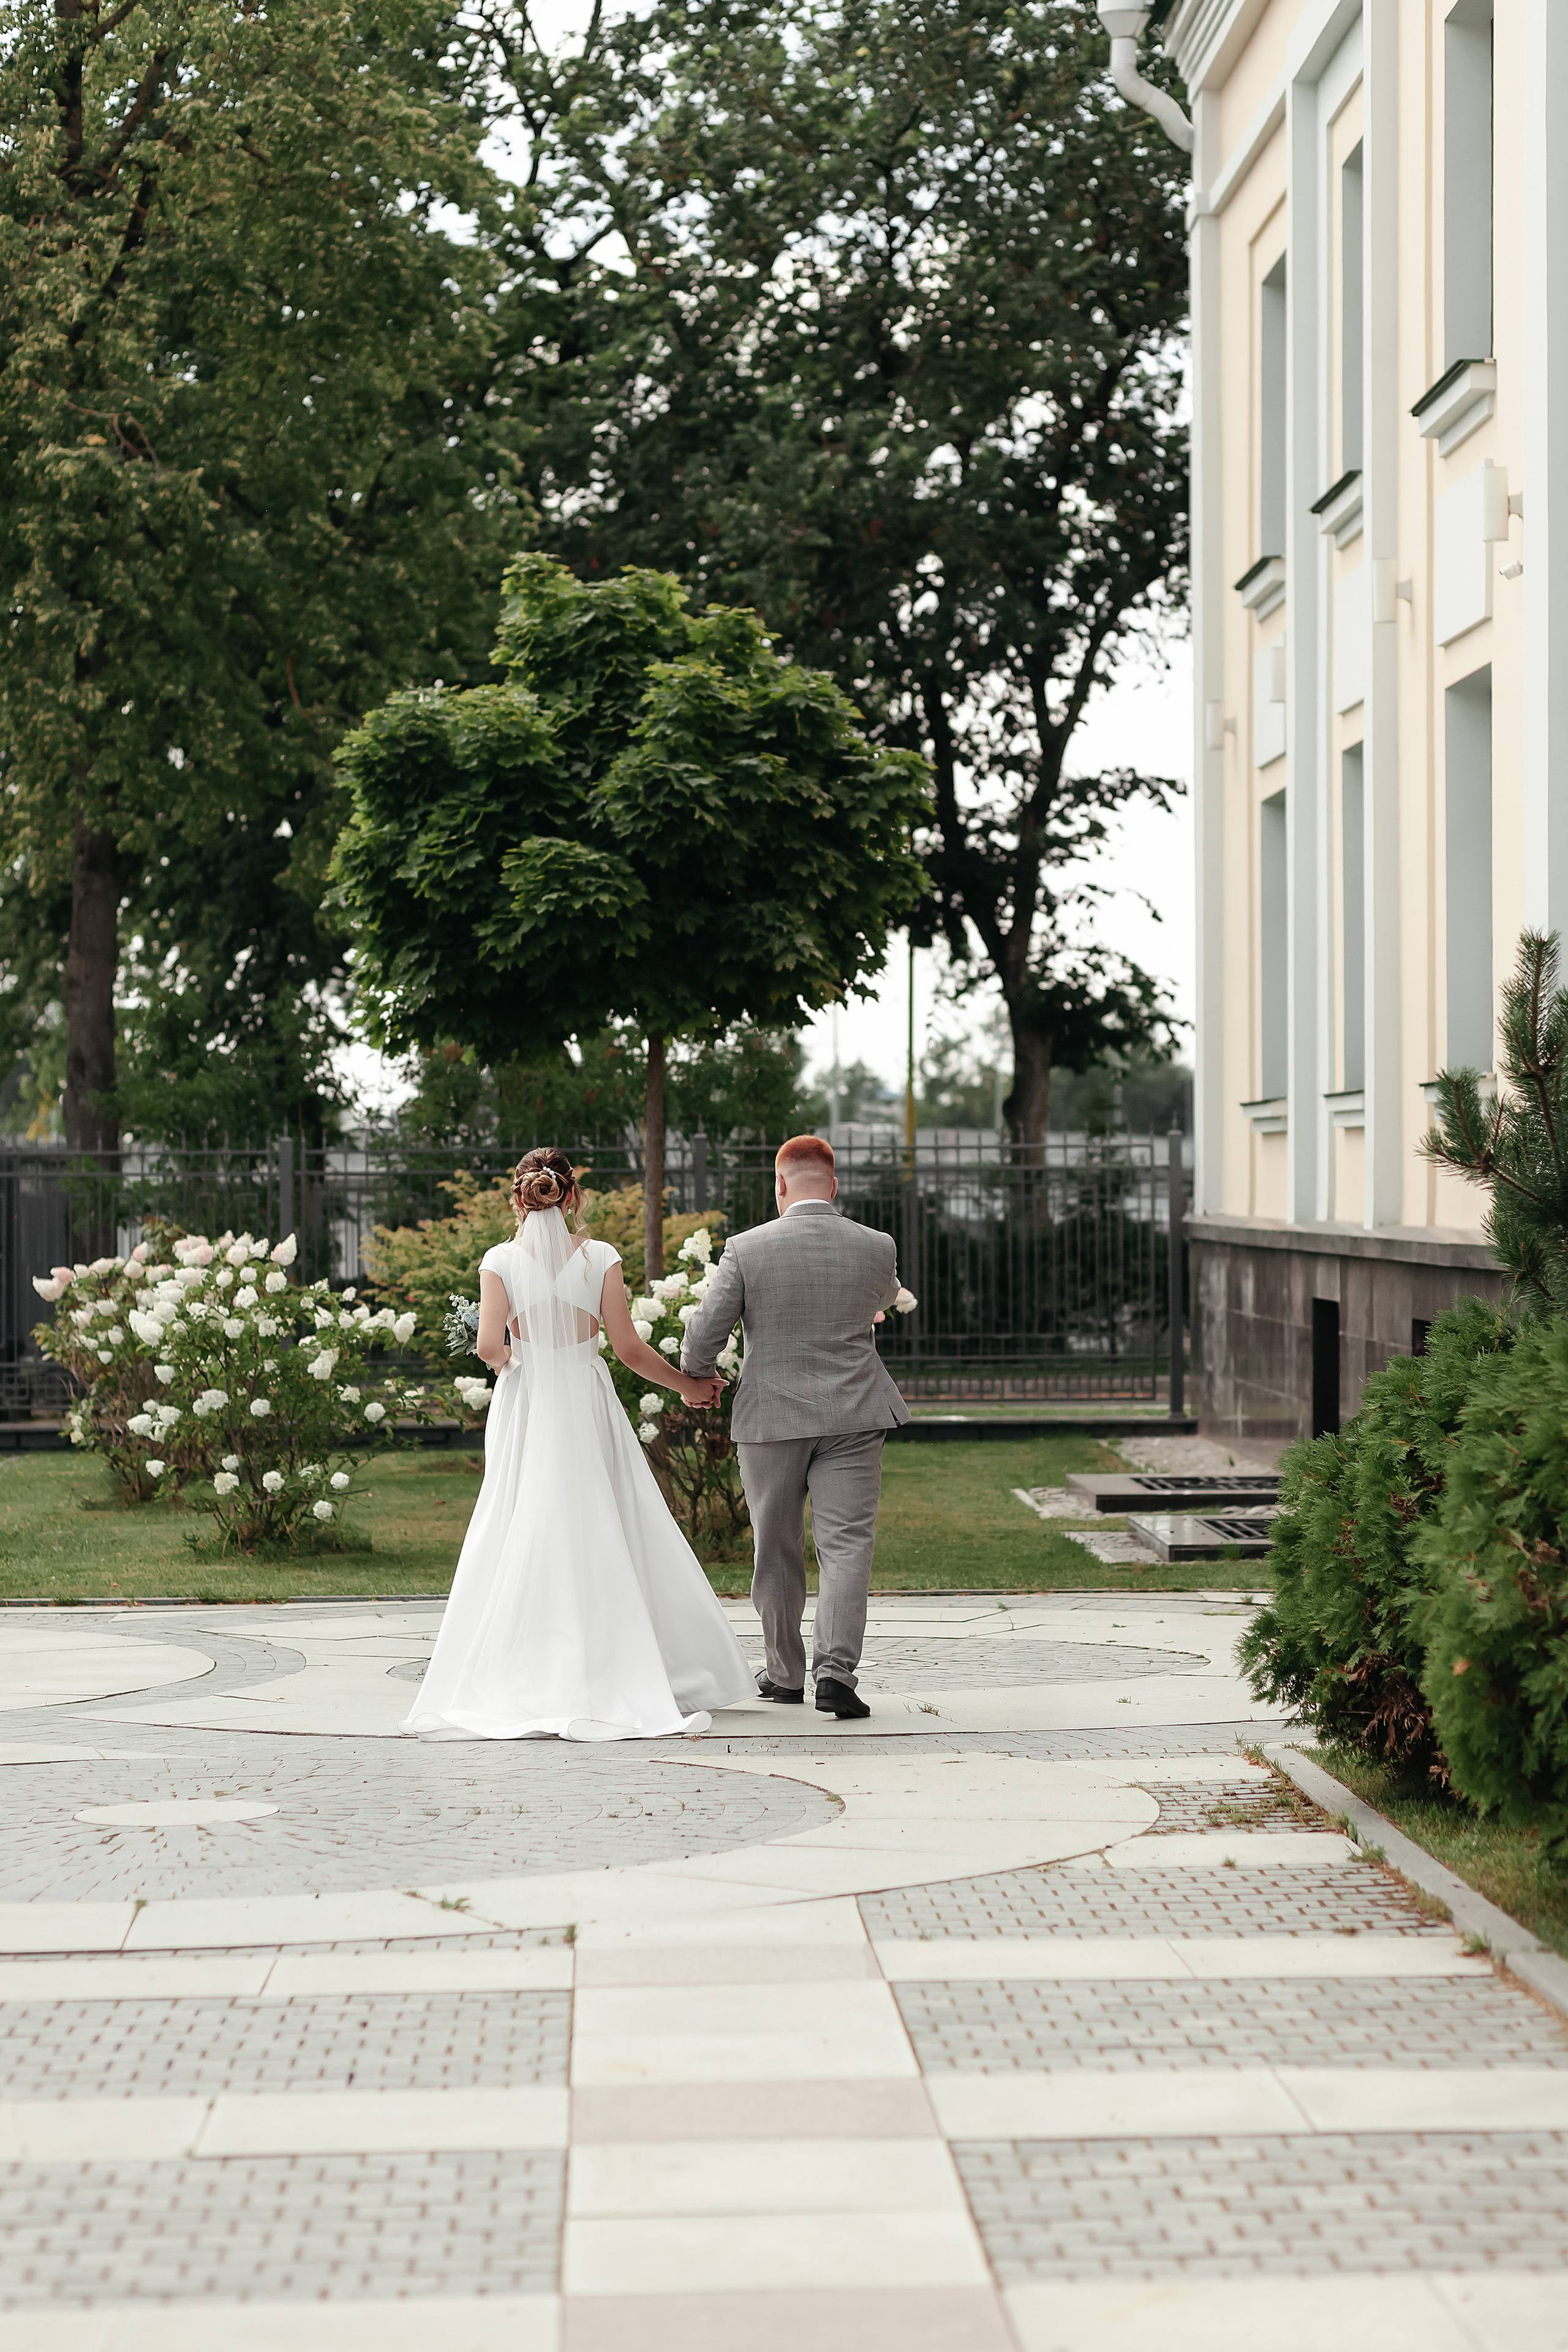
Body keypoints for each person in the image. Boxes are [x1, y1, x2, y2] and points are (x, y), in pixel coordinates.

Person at [402, 1147, 755, 1743]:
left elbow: (489, 1346)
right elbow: (630, 1350)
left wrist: (515, 1359)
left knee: (522, 1520)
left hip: (531, 1402)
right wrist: (689, 1385)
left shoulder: (500, 1260)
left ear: (517, 1197)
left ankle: (526, 1665)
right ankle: (639, 1661)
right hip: (588, 1401)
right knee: (612, 1518)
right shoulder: (601, 1258)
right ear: (571, 1196)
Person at [679, 1134, 909, 1719]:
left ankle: (784, 1675)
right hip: (855, 1413)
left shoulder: (746, 1248)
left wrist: (698, 1378)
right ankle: (837, 1673)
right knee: (847, 1544)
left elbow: (704, 1335)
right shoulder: (876, 1245)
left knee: (776, 1547)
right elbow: (884, 1298)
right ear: (833, 1186)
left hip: (771, 1416)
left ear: (780, 1185)